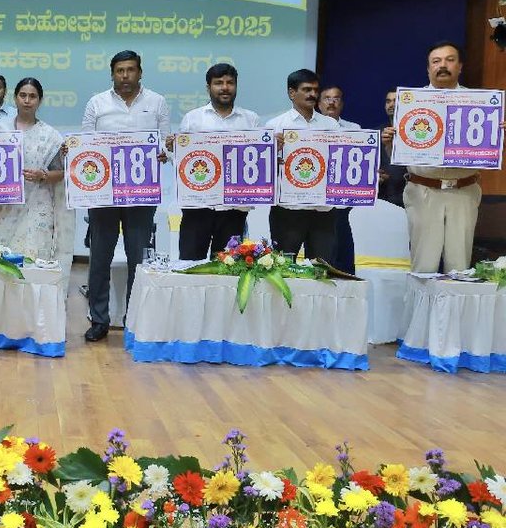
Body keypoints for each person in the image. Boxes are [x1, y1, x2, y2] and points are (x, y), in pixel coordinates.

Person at [81, 50, 171, 342]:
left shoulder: (157, 102)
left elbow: (167, 148)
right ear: (112, 74)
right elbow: (87, 147)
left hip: (141, 196)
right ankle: (98, 320)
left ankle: (134, 321)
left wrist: (163, 153)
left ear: (140, 72)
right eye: (119, 70)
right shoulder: (97, 103)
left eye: (130, 70)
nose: (125, 76)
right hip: (104, 196)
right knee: (99, 261)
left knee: (138, 261)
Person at [388, 41, 488, 273]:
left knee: (459, 267)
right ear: (428, 68)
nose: (443, 66)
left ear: (460, 66)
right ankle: (419, 311)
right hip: (423, 191)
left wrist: (496, 132)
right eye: (436, 61)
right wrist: (391, 141)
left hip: (464, 190)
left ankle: (453, 311)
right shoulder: (411, 102)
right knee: (423, 267)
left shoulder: (479, 104)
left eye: (450, 60)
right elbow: (399, 155)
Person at [0, 78, 72, 270]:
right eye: (23, 95)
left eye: (32, 96)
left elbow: (61, 172)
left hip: (36, 205)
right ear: (15, 98)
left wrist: (43, 175)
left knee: (32, 263)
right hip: (3, 207)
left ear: (39, 100)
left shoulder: (50, 135)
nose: (27, 100)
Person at [175, 62, 260, 261]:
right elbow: (180, 160)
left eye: (230, 83)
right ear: (208, 87)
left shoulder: (251, 120)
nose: (225, 87)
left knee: (228, 267)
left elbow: (258, 161)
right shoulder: (192, 119)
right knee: (190, 264)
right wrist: (173, 148)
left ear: (236, 86)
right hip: (197, 206)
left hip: (234, 208)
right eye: (218, 83)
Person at [265, 69, 340, 260]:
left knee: (321, 270)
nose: (312, 94)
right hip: (288, 211)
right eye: (306, 89)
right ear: (292, 93)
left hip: (323, 210)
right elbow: (263, 170)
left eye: (315, 89)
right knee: (282, 269)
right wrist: (271, 154)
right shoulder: (274, 125)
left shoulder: (331, 126)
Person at [317, 85, 361, 274]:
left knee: (342, 245)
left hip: (342, 197)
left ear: (341, 104)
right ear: (319, 103)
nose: (332, 102)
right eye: (327, 98)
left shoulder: (354, 129)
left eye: (336, 98)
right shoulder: (311, 128)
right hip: (315, 197)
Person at [378, 88, 407, 207]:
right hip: (384, 199)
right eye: (388, 101)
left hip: (411, 198)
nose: (391, 104)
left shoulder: (416, 135)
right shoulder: (376, 134)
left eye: (396, 100)